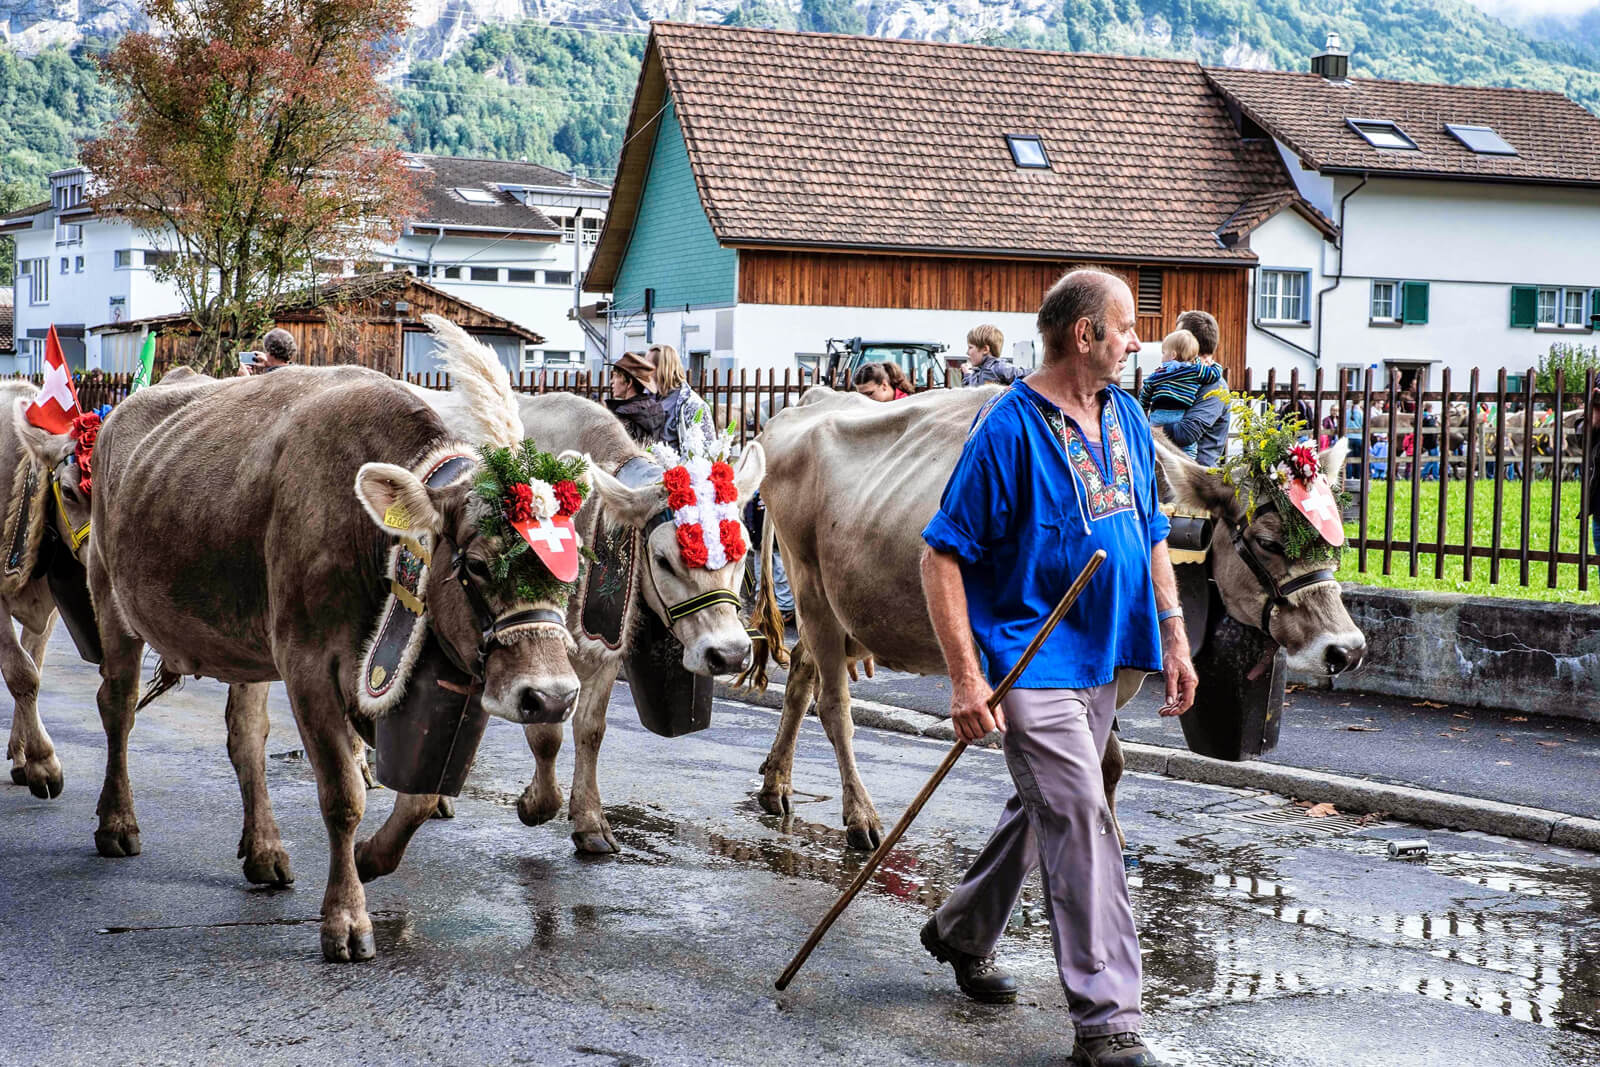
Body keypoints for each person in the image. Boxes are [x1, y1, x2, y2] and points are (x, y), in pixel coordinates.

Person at [918, 268, 1196, 1067]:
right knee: (1080, 812)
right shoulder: (1008, 429)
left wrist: (1173, 635)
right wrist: (967, 679)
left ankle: (961, 925)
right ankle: (1108, 1019)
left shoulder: (1130, 416)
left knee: (1045, 806)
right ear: (1086, 335)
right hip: (1029, 659)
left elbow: (1148, 534)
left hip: (1104, 657)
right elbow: (942, 555)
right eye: (1127, 327)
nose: (1138, 341)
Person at [1137, 329, 1219, 458]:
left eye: (1163, 353)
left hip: (1158, 416)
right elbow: (1214, 374)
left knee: (1154, 445)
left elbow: (1147, 390)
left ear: (1173, 355)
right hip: (1179, 415)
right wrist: (1213, 365)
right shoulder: (1195, 371)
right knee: (1188, 449)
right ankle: (1188, 458)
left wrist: (1143, 408)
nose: (1162, 357)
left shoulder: (1160, 372)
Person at [1163, 310, 1229, 466]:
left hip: (1195, 483)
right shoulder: (1185, 375)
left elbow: (1186, 433)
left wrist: (1150, 427)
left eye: (1178, 336)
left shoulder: (1215, 386)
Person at [649, 342, 711, 452]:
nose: (643, 371)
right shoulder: (648, 397)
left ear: (662, 369)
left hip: (677, 468)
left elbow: (707, 450)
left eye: (648, 366)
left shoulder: (692, 404)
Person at [605, 351, 666, 445]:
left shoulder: (623, 417)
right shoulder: (655, 408)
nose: (611, 381)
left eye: (615, 376)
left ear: (629, 382)